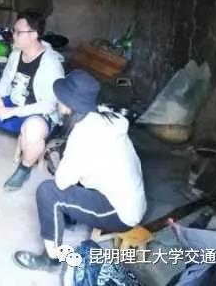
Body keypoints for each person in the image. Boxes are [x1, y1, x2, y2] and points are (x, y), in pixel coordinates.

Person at [13, 69, 147, 271]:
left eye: (60, 99)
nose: (57, 102)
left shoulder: (84, 134)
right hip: (131, 200)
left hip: (120, 213)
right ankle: (67, 216)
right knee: (75, 174)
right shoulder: (104, 117)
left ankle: (52, 258)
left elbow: (61, 182)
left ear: (69, 105)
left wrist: (64, 161)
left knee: (48, 192)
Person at [0, 11, 64, 191]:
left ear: (34, 35)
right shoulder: (16, 53)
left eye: (18, 32)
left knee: (34, 130)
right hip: (14, 104)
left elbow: (49, 105)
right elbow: (5, 81)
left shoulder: (51, 63)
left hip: (36, 114)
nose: (13, 35)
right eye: (13, 31)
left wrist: (11, 112)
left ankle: (24, 169)